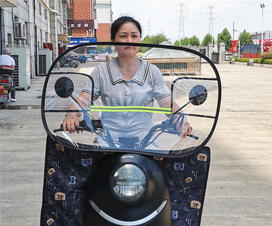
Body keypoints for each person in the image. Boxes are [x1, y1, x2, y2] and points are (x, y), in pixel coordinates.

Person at [62, 16, 191, 147]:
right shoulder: (101, 71)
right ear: (113, 40)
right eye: (123, 36)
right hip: (107, 142)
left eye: (134, 36)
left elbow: (167, 104)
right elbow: (84, 100)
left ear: (140, 39)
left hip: (145, 144)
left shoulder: (152, 72)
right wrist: (71, 115)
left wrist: (180, 120)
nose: (129, 41)